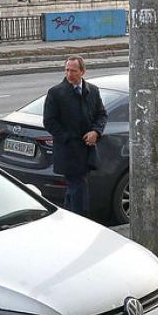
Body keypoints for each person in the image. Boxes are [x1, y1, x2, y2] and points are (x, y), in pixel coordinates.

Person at [43, 55, 108, 216]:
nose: (69, 74)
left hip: (87, 149)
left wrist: (96, 132)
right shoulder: (56, 93)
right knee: (78, 186)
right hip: (68, 151)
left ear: (82, 72)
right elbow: (49, 121)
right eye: (67, 70)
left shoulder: (92, 90)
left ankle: (68, 217)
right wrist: (67, 138)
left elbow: (101, 115)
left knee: (75, 187)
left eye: (73, 71)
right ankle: (81, 219)